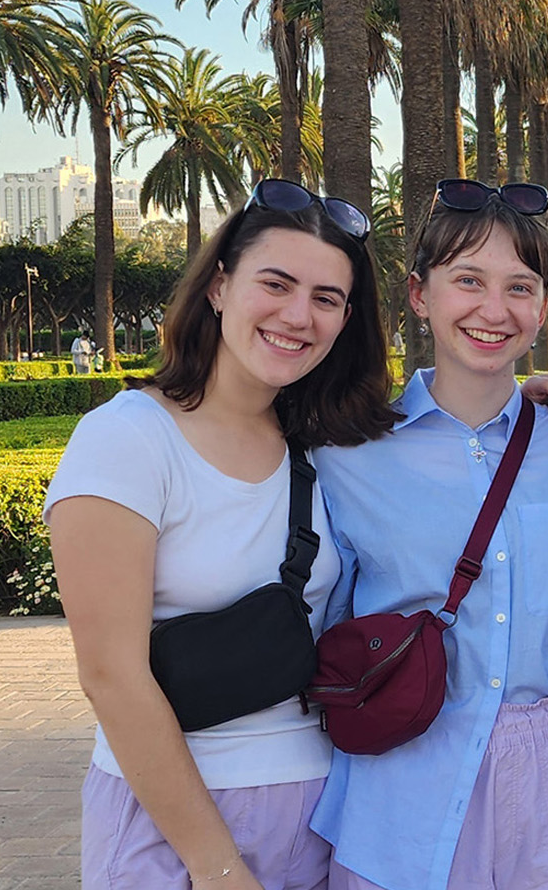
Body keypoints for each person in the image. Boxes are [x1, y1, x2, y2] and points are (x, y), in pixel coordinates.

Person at [44, 180, 394, 890]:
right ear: (218, 287)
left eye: (326, 299)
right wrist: (217, 866)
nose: (298, 316)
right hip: (174, 829)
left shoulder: (323, 444)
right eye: (277, 283)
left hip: (320, 818)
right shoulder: (127, 439)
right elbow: (110, 675)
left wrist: (543, 397)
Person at [312, 178, 548, 890]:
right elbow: (327, 619)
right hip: (401, 777)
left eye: (520, 287)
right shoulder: (348, 454)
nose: (493, 310)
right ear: (420, 295)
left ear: (543, 307)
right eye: (468, 281)